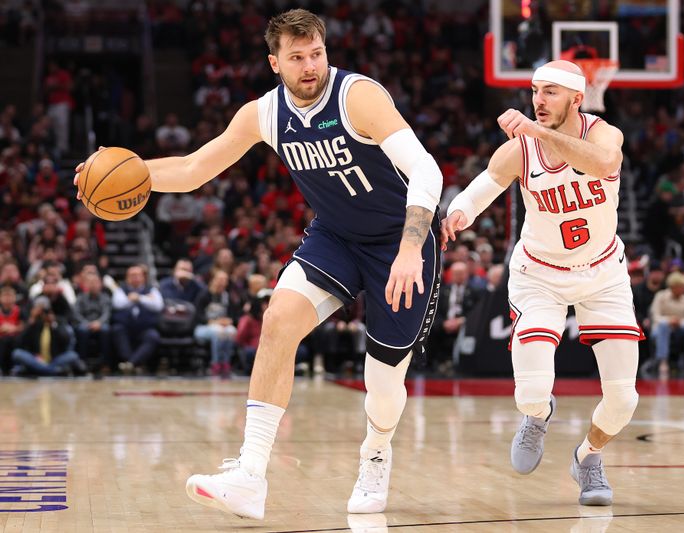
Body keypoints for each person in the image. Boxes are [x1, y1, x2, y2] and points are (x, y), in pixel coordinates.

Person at [74, 8, 443, 520]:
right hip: (335, 236)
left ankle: (375, 452)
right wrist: (122, 171)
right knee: (277, 321)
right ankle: (250, 475)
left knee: (382, 383)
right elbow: (191, 169)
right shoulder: (263, 114)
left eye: (316, 53)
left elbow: (427, 168)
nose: (310, 65)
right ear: (275, 63)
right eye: (297, 58)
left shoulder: (359, 96)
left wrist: (409, 249)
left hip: (400, 241)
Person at [442, 60, 641, 506]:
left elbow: (603, 163)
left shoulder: (604, 135)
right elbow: (484, 185)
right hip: (540, 275)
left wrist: (540, 132)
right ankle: (538, 416)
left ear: (576, 98)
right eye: (535, 91)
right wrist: (460, 212)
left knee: (624, 400)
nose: (538, 100)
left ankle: (587, 458)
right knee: (531, 392)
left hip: (603, 274)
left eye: (550, 92)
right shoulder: (521, 149)